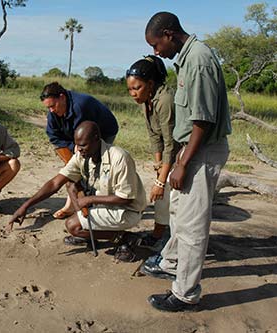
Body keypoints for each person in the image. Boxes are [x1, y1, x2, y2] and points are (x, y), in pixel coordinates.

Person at [140, 12, 232, 312]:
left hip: (201, 151)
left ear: (169, 34)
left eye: (156, 45)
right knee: (179, 214)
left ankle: (185, 293)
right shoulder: (187, 58)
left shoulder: (199, 60)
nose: (156, 52)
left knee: (192, 227)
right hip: (189, 150)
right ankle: (172, 263)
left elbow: (203, 119)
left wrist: (183, 162)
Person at [7, 121, 146, 253]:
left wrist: (89, 200)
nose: (79, 149)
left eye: (83, 145)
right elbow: (55, 183)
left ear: (96, 139)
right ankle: (92, 231)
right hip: (101, 203)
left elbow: (125, 199)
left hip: (126, 210)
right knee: (71, 182)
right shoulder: (81, 155)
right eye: (77, 145)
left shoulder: (119, 158)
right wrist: (25, 206)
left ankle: (124, 238)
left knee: (73, 225)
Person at [40, 82, 119, 220]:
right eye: (48, 107)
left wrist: (77, 152)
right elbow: (54, 136)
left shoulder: (81, 106)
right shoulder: (53, 113)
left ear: (62, 97)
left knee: (95, 166)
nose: (51, 110)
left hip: (103, 131)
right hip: (74, 137)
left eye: (53, 106)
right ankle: (72, 205)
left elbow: (86, 137)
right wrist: (71, 149)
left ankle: (99, 201)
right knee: (73, 169)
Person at [125, 55, 179, 251]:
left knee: (170, 197)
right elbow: (154, 137)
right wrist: (158, 168)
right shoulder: (145, 101)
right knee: (162, 196)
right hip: (167, 155)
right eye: (130, 89)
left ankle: (172, 241)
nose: (133, 93)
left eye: (136, 88)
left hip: (183, 153)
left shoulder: (164, 100)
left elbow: (171, 142)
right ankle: (159, 234)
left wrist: (160, 180)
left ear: (150, 83)